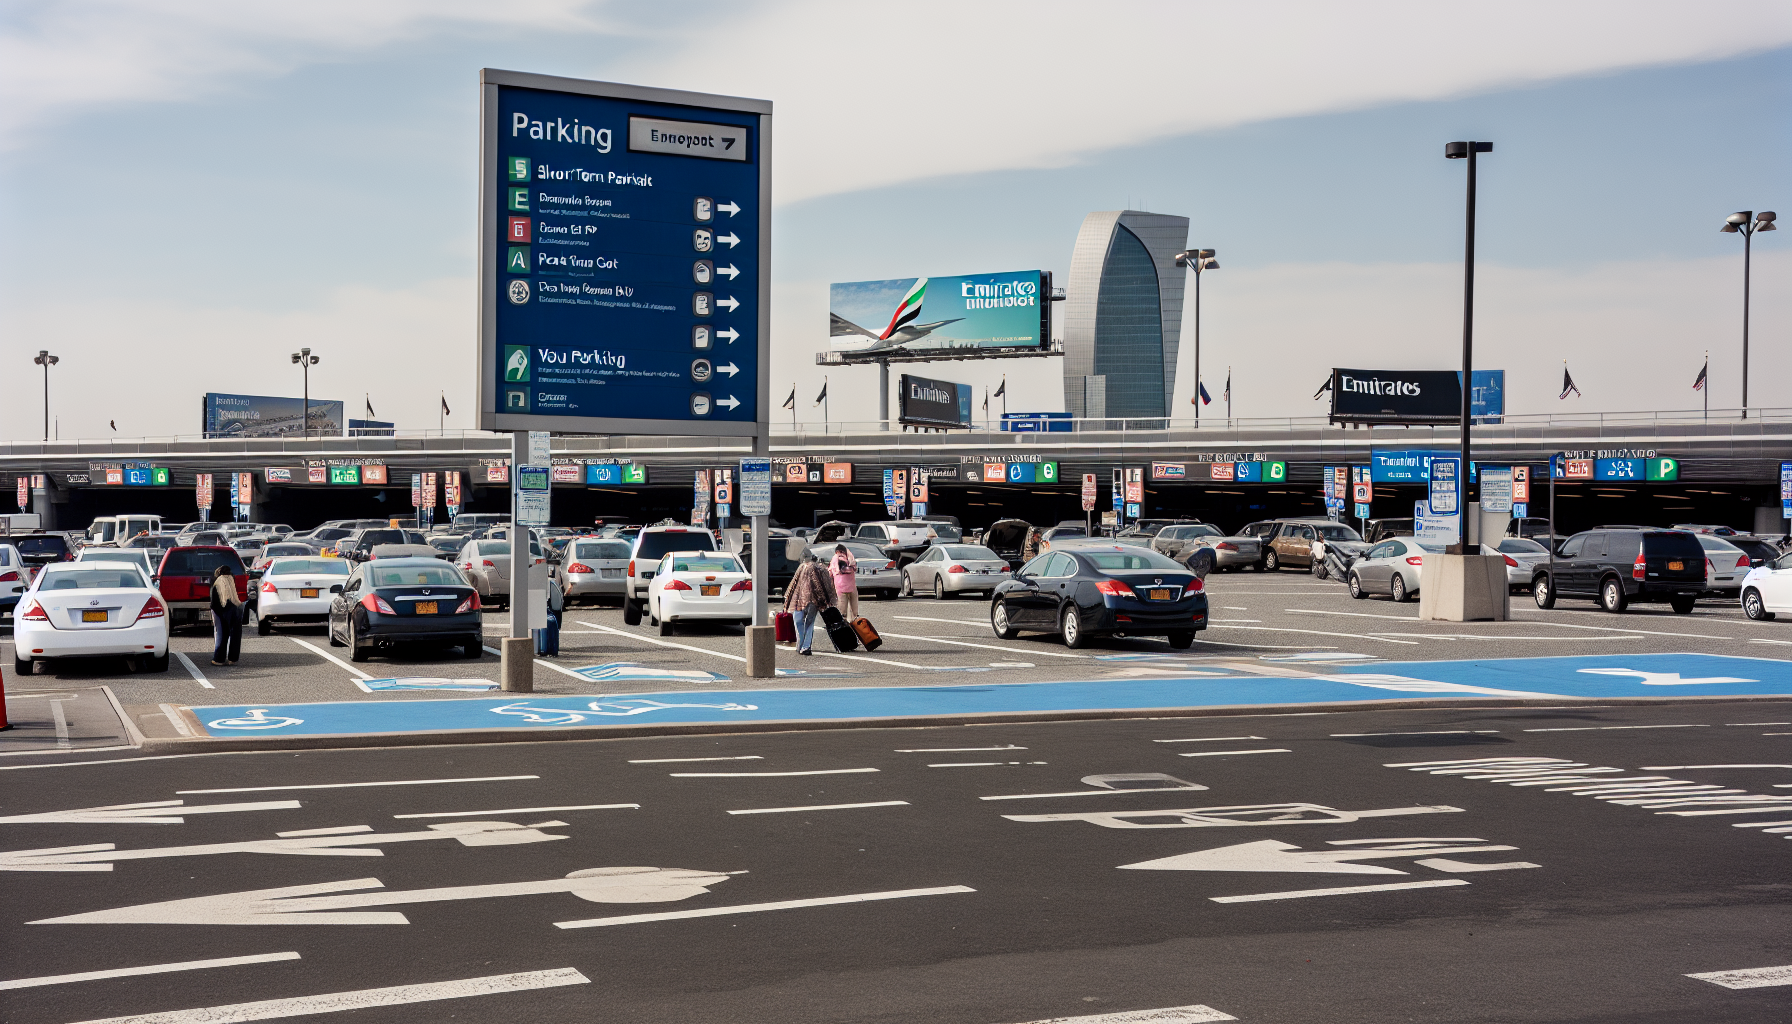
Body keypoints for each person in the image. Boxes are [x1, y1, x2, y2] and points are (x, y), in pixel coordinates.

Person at [781, 549, 835, 656]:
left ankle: (800, 645)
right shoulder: (821, 569)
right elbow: (825, 586)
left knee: (798, 621)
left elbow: (793, 584)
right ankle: (806, 647)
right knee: (810, 623)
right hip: (814, 601)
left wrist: (787, 600)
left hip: (799, 599)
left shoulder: (802, 568)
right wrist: (825, 600)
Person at [209, 563, 243, 665]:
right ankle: (233, 659)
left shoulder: (217, 581)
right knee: (235, 634)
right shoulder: (231, 579)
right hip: (235, 607)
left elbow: (215, 601)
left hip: (221, 609)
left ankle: (219, 659)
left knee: (221, 633)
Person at [829, 543, 859, 620]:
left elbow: (830, 572)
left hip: (840, 587)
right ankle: (855, 621)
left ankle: (843, 621)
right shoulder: (850, 558)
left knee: (842, 608)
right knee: (854, 608)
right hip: (852, 586)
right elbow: (855, 568)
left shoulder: (835, 558)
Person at [536, 575, 564, 657]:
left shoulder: (549, 582)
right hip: (547, 610)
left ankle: (543, 647)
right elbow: (557, 606)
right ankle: (548, 648)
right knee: (551, 622)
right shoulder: (551, 583)